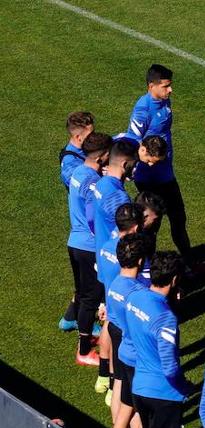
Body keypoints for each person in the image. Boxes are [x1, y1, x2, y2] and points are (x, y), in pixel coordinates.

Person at [128, 251, 190, 428]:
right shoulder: (165, 317)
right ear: (174, 280)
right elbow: (170, 367)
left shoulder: (135, 298)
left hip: (140, 387)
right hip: (163, 394)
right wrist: (184, 387)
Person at [127, 64, 194, 262]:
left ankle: (191, 264)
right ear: (151, 86)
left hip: (167, 175)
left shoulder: (165, 101)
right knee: (151, 227)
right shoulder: (142, 111)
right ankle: (146, 268)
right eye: (165, 86)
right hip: (150, 180)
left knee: (179, 219)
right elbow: (131, 143)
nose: (170, 90)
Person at [92, 142, 138, 394]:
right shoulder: (118, 197)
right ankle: (114, 382)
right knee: (117, 322)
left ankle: (103, 376)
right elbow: (125, 229)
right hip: (117, 260)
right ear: (124, 163)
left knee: (110, 318)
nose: (136, 169)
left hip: (104, 255)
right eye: (134, 164)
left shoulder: (102, 183)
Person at [66, 131, 112, 366]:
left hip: (75, 242)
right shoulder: (91, 182)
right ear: (103, 156)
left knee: (85, 295)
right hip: (88, 247)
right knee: (90, 298)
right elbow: (95, 217)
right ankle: (84, 350)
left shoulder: (78, 172)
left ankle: (84, 336)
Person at [107, 233, 153, 428]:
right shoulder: (137, 293)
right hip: (136, 357)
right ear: (140, 261)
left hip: (123, 351)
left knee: (125, 410)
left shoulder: (115, 283)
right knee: (146, 419)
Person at [58, 111, 95, 332]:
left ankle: (70, 318)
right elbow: (76, 180)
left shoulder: (84, 153)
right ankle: (85, 325)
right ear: (79, 138)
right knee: (92, 285)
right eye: (90, 134)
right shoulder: (70, 161)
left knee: (85, 283)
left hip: (83, 227)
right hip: (85, 227)